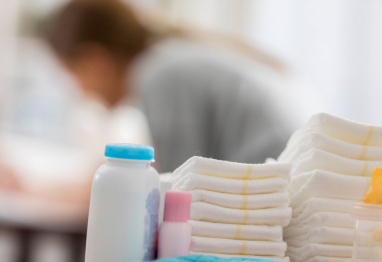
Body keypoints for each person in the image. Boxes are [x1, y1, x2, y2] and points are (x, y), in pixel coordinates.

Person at [44, 0, 295, 173]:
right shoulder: (168, 60)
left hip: (282, 188)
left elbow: (177, 185)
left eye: (72, 75)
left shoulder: (160, 74)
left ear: (94, 61)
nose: (79, 91)